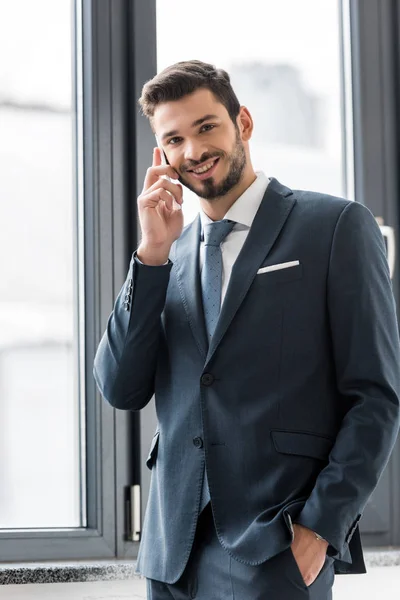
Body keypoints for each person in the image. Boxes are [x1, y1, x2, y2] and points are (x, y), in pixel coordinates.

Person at [93, 60, 400, 599]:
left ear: (244, 122)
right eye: (174, 139)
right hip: (170, 554)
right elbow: (121, 388)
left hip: (274, 546)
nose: (193, 151)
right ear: (161, 156)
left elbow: (375, 398)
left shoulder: (334, 227)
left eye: (207, 126)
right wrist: (150, 255)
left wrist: (320, 529)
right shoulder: (167, 254)